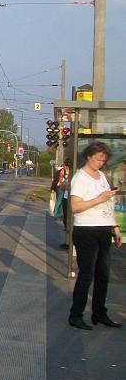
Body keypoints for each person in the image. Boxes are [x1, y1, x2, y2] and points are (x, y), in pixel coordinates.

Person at [68, 141, 122, 330]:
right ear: (89, 156)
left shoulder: (102, 177)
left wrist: (114, 227)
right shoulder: (80, 178)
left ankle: (100, 313)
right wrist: (98, 199)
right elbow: (75, 207)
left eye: (104, 160)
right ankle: (76, 314)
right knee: (87, 275)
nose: (101, 162)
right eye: (98, 158)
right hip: (87, 231)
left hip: (103, 229)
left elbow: (108, 204)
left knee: (103, 275)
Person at [51, 163, 70, 247]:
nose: (64, 167)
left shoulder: (69, 174)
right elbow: (62, 186)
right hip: (65, 196)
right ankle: (67, 242)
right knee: (66, 220)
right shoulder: (64, 172)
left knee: (67, 220)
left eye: (65, 166)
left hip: (67, 197)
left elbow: (64, 186)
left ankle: (68, 242)